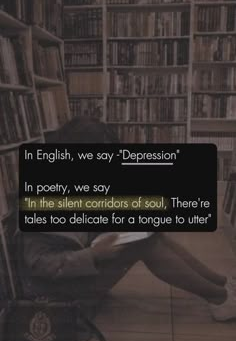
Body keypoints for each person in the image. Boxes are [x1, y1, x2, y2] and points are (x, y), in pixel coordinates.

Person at [22, 117, 236, 322]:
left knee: (150, 233)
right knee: (142, 244)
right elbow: (39, 264)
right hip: (58, 296)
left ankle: (222, 285)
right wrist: (93, 254)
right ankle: (220, 298)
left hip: (77, 274)